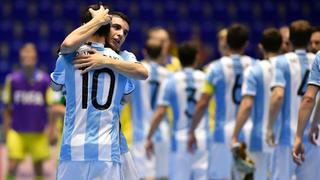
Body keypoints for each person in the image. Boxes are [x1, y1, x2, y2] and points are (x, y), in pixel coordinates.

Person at [51, 4, 148, 180]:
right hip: (107, 149)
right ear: (104, 26)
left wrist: (104, 60)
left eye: (125, 32)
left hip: (110, 145)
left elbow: (143, 73)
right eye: (116, 27)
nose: (120, 34)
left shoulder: (125, 57)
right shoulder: (121, 60)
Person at [187, 23, 255, 180]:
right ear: (246, 44)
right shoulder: (256, 66)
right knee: (247, 176)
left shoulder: (214, 69)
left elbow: (203, 102)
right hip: (249, 130)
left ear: (227, 43)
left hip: (222, 132)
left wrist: (192, 130)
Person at [145, 42, 208, 180]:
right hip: (202, 138)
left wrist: (149, 136)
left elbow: (160, 112)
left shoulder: (171, 80)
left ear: (179, 59)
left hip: (180, 140)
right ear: (197, 57)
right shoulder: (205, 78)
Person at [267, 20, 320, 180]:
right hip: (313, 135)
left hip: (287, 136)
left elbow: (278, 96)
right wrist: (315, 123)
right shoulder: (316, 59)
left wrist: (269, 127)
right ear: (309, 39)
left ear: (289, 38)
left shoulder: (281, 62)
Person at [231, 28, 282, 180]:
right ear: (281, 47)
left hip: (259, 136)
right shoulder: (287, 68)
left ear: (260, 47)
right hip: (284, 136)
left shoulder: (253, 70)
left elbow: (247, 105)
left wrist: (234, 134)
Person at [2, 43, 55, 180]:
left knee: (38, 167)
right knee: (12, 166)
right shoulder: (12, 80)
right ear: (20, 57)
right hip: (17, 132)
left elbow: (50, 108)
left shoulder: (44, 80)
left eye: (30, 54)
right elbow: (7, 108)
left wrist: (51, 129)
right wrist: (7, 131)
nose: (27, 56)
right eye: (24, 54)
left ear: (35, 57)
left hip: (38, 133)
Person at [128, 38, 170, 179]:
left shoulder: (136, 72)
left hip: (141, 133)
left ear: (144, 52)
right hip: (163, 131)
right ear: (161, 54)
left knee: (146, 176)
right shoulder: (169, 75)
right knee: (163, 176)